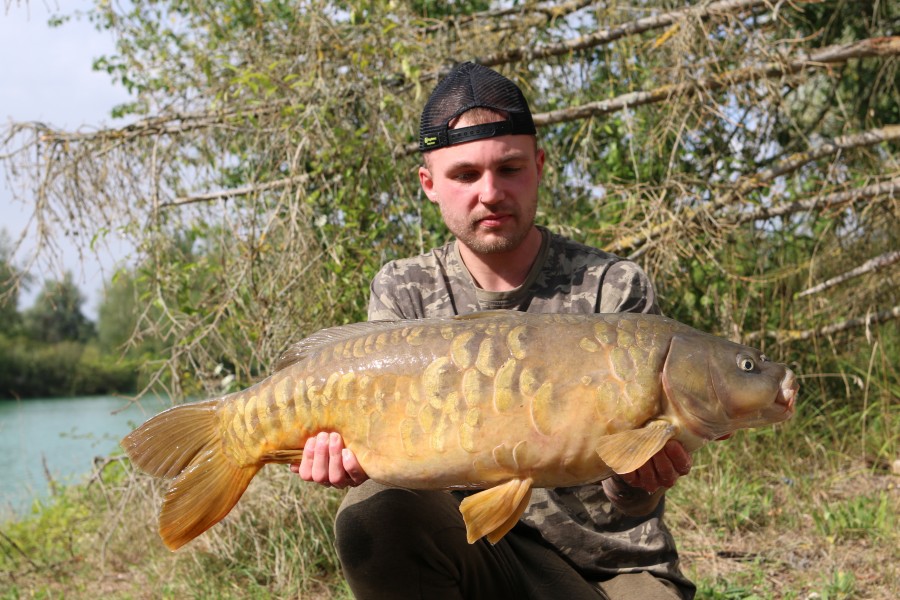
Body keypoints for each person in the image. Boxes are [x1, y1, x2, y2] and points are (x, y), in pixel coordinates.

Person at [290, 61, 697, 599]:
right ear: (429, 184)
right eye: (465, 175)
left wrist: (637, 478)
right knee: (373, 509)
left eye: (509, 168)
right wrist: (350, 461)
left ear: (539, 166)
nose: (490, 192)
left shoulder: (612, 287)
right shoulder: (405, 290)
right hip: (479, 557)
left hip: (612, 573)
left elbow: (634, 498)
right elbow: (392, 468)